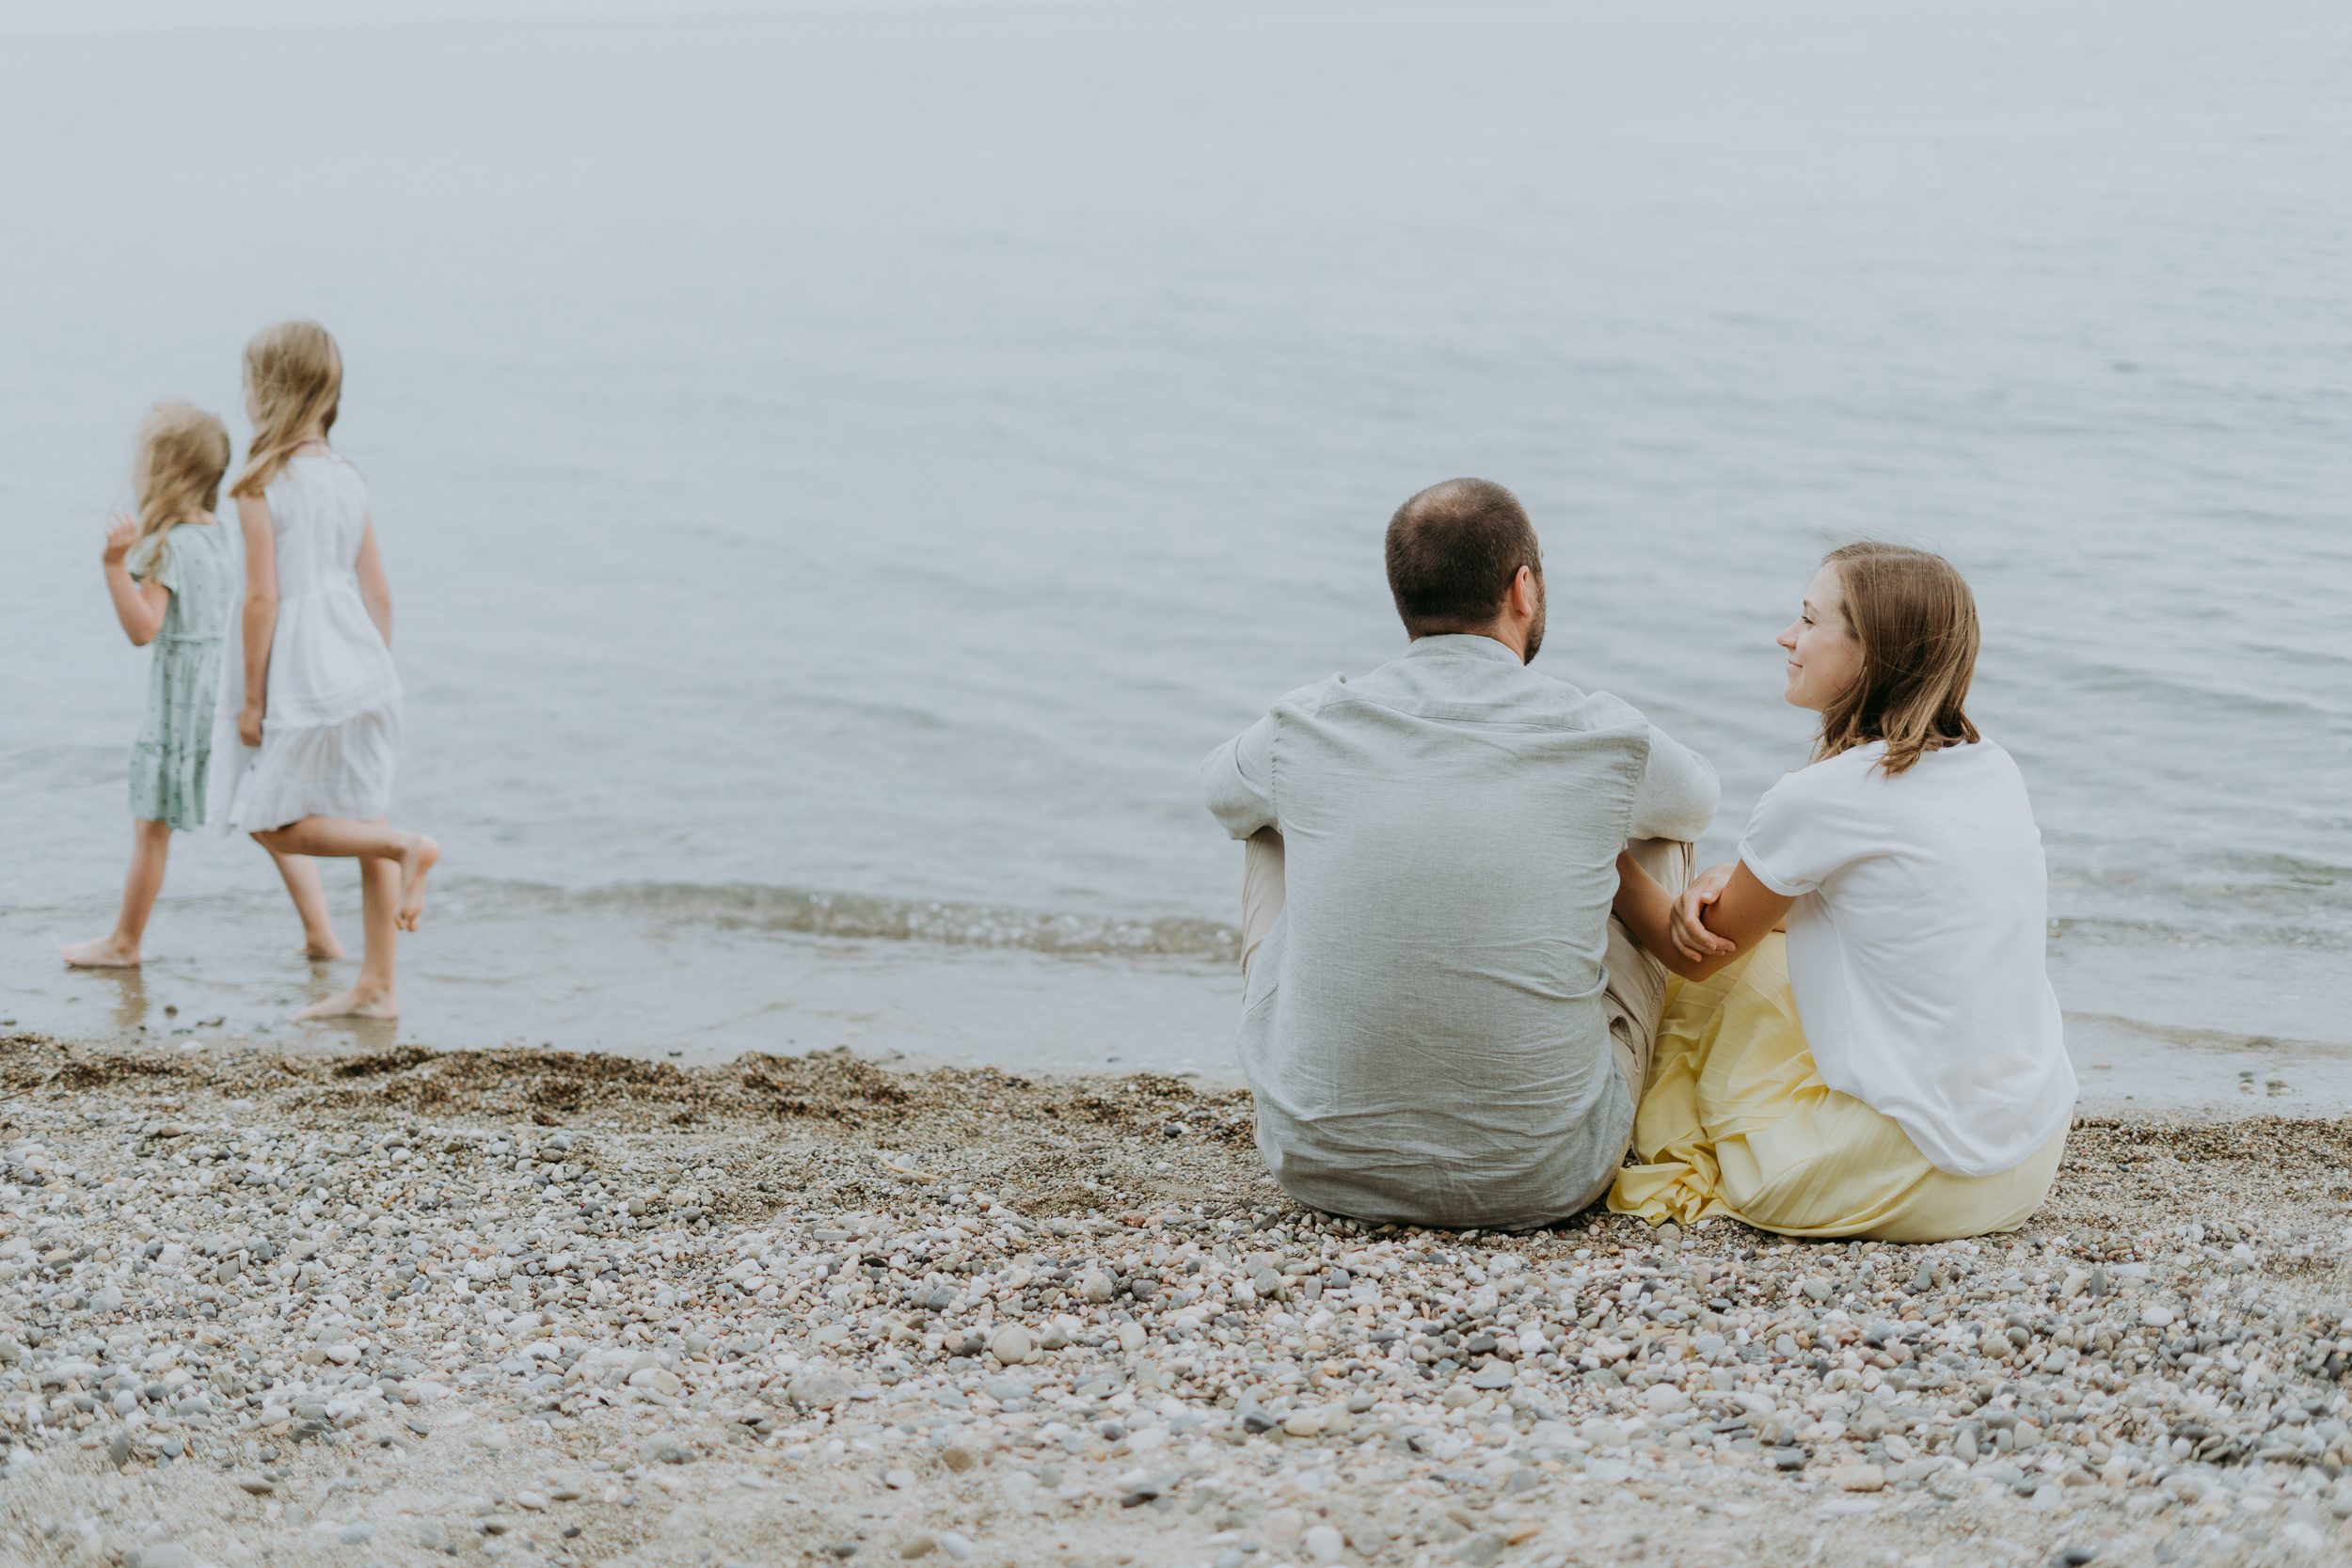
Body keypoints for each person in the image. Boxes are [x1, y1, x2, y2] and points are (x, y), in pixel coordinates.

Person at [1200, 479, 1718, 1230]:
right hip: (1548, 1172)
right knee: (1661, 828)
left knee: (1264, 823)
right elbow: (1700, 799)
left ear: (1402, 595)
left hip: (1315, 1158)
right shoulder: (1605, 732)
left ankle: (1331, 1066)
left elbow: (1218, 791)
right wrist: (1586, 844)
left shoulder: (1306, 723)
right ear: (1524, 589)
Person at [1608, 543, 2075, 1241]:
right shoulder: (1993, 769)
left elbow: (1695, 954)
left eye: (1807, 620)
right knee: (1771, 955)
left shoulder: (1821, 796)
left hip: (1902, 1172)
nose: (1785, 637)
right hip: (2026, 1157)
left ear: (1872, 656)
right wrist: (1745, 890)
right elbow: (1899, 916)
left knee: (1703, 996)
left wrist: (1599, 856)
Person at [208, 321, 438, 1021]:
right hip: (361, 658)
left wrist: (252, 700)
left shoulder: (258, 482)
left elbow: (262, 598)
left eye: (251, 382)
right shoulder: (348, 478)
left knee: (268, 818)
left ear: (272, 390)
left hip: (300, 667)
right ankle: (377, 987)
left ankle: (409, 846)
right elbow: (380, 591)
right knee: (364, 810)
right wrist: (375, 667)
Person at [61, 402, 343, 969]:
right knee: (267, 821)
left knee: (152, 828)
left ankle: (124, 942)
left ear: (162, 472)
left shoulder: (165, 546)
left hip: (181, 712)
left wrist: (115, 568)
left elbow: (145, 630)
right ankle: (323, 936)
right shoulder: (225, 539)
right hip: (229, 697)